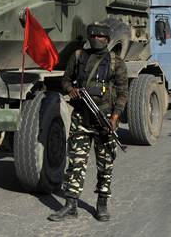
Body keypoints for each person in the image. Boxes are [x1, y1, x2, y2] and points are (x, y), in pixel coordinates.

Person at [48, 22, 128, 222]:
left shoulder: (116, 62)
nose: (96, 39)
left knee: (105, 165)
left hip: (105, 121)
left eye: (101, 37)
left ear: (108, 40)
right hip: (81, 118)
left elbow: (122, 93)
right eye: (93, 36)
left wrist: (115, 117)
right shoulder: (78, 57)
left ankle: (102, 204)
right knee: (75, 163)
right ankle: (70, 205)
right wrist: (70, 90)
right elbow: (65, 80)